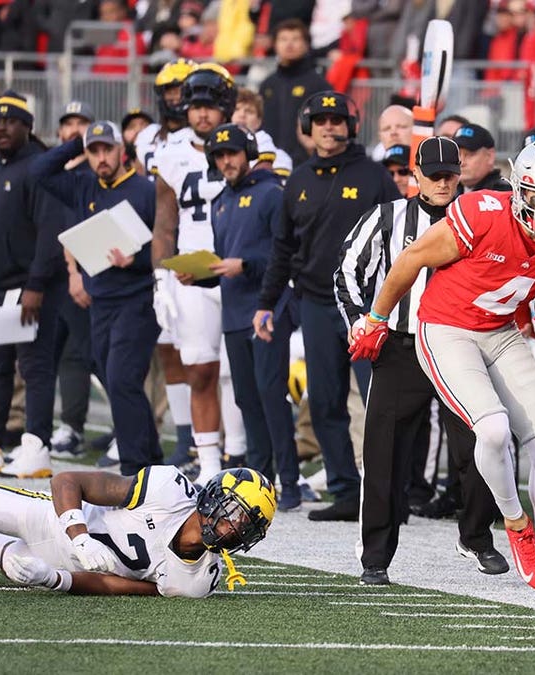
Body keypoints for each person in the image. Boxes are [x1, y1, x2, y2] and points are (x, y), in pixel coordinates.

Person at [348, 137, 535, 620]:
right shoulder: (481, 211)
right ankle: (516, 524)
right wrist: (376, 318)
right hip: (445, 328)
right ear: (519, 187)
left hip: (499, 331)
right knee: (493, 428)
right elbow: (410, 259)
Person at [337, 136, 509, 585]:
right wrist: (359, 320)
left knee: (482, 443)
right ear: (415, 174)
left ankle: (475, 537)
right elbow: (348, 271)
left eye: (450, 174)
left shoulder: (481, 215)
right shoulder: (387, 216)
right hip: (401, 344)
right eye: (433, 174)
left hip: (460, 344)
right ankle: (375, 556)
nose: (442, 182)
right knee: (384, 454)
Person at [254, 91, 402, 522]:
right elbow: (282, 248)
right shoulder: (297, 180)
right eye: (320, 120)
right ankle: (344, 490)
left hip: (368, 305)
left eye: (337, 119)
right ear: (307, 128)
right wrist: (266, 303)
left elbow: (400, 235)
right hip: (317, 304)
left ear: (351, 126)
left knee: (377, 402)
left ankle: (386, 493)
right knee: (324, 401)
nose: (329, 126)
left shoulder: (374, 176)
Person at [0, 440, 275, 597]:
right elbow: (67, 481)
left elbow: (116, 587)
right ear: (213, 496)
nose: (233, 530)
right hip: (53, 519)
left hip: (71, 561)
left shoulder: (198, 582)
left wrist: (56, 579)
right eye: (233, 515)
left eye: (246, 528)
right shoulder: (167, 490)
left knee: (21, 569)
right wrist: (80, 537)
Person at [29, 121, 161, 477]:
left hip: (138, 298)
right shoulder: (84, 184)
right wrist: (74, 143)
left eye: (107, 149)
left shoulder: (146, 190)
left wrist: (139, 260)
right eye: (94, 150)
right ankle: (153, 457)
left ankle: (136, 466)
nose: (101, 158)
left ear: (122, 150)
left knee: (121, 377)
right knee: (115, 376)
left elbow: (167, 248)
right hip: (102, 300)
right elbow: (39, 171)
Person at [196, 123, 301, 512]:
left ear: (248, 153)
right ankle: (261, 479)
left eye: (232, 153)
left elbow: (284, 253)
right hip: (234, 313)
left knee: (271, 394)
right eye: (219, 156)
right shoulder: (219, 202)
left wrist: (246, 265)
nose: (226, 161)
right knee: (245, 398)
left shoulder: (272, 193)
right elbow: (229, 263)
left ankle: (289, 481)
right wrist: (199, 276)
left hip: (268, 308)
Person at [152, 64, 238, 484]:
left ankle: (241, 454)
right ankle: (208, 465)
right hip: (190, 271)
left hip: (237, 268)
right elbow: (164, 222)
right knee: (201, 368)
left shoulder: (247, 145)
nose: (203, 115)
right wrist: (159, 278)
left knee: (236, 371)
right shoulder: (170, 154)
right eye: (196, 107)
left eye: (211, 106)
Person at [0, 91, 68, 478]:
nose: (0, 127)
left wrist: (36, 283)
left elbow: (50, 230)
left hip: (29, 287)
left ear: (28, 127)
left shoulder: (38, 168)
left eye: (9, 121)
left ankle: (36, 445)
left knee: (34, 366)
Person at [134, 58, 196, 466]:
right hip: (160, 251)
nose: (175, 97)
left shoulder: (207, 136)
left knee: (207, 356)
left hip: (200, 253)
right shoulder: (148, 140)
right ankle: (184, 436)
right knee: (169, 348)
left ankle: (219, 440)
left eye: (182, 88)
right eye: (169, 90)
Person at [48, 100, 97, 460]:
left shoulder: (95, 175)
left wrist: (76, 272)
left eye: (83, 124)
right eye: (69, 124)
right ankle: (69, 425)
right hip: (48, 276)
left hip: (84, 274)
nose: (75, 130)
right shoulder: (55, 171)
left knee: (92, 354)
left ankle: (127, 430)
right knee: (61, 355)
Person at [258, 18, 333, 163]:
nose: (289, 44)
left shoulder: (319, 85)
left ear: (306, 44)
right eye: (283, 39)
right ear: (275, 44)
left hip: (305, 164)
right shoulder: (267, 84)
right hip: (269, 164)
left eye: (295, 39)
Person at [453, 124, 510, 192]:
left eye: (469, 155)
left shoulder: (504, 195)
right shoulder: (448, 193)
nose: (461, 162)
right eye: (457, 154)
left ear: (489, 156)